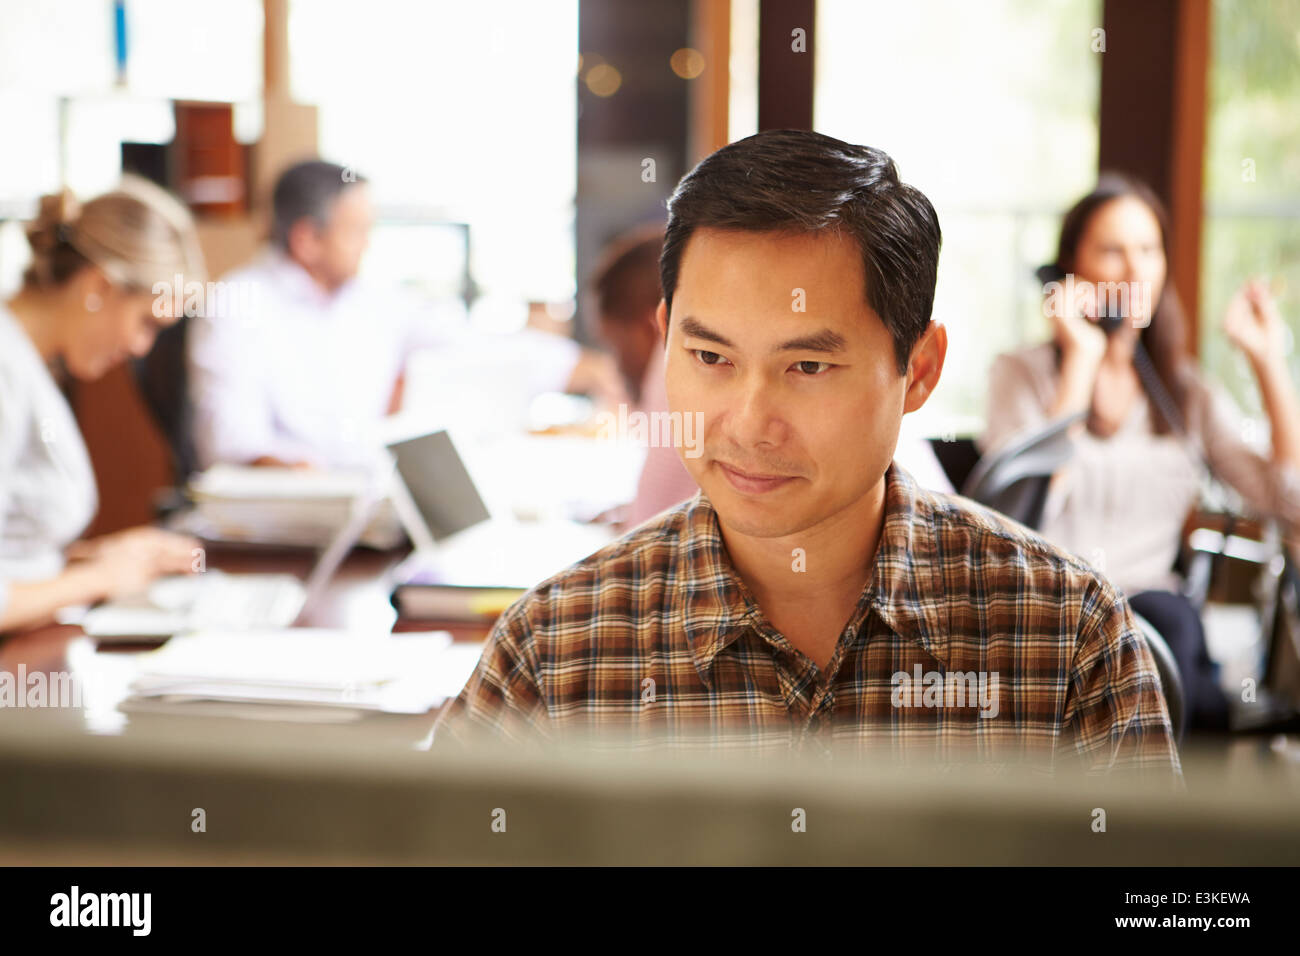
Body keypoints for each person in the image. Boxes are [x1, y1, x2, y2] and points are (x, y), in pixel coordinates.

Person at [433, 130, 1180, 779]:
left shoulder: (1064, 635)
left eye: (808, 367)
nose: (751, 424)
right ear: (666, 338)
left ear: (917, 369)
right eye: (709, 356)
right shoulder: (559, 646)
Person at [980, 173, 1300, 732]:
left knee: (1165, 632)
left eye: (1149, 251)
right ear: (1068, 269)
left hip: (1155, 618)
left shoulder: (1185, 393)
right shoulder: (1020, 375)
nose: (1135, 270)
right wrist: (1081, 357)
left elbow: (1288, 501)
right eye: (1112, 251)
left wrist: (1268, 362)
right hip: (1049, 615)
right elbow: (1019, 515)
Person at [188, 160, 623, 471]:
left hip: (362, 503)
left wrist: (586, 369)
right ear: (307, 240)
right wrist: (321, 478)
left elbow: (472, 343)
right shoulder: (236, 305)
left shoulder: (371, 300)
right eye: (357, 232)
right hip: (280, 524)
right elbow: (232, 445)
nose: (367, 245)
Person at [0, 180, 204, 633]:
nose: (140, 348)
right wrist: (99, 578)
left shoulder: (29, 365)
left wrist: (100, 557)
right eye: (147, 323)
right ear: (98, 286)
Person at [589, 224, 698, 526]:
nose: (618, 364)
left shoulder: (670, 371)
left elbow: (650, 526)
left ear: (655, 322)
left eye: (616, 344)